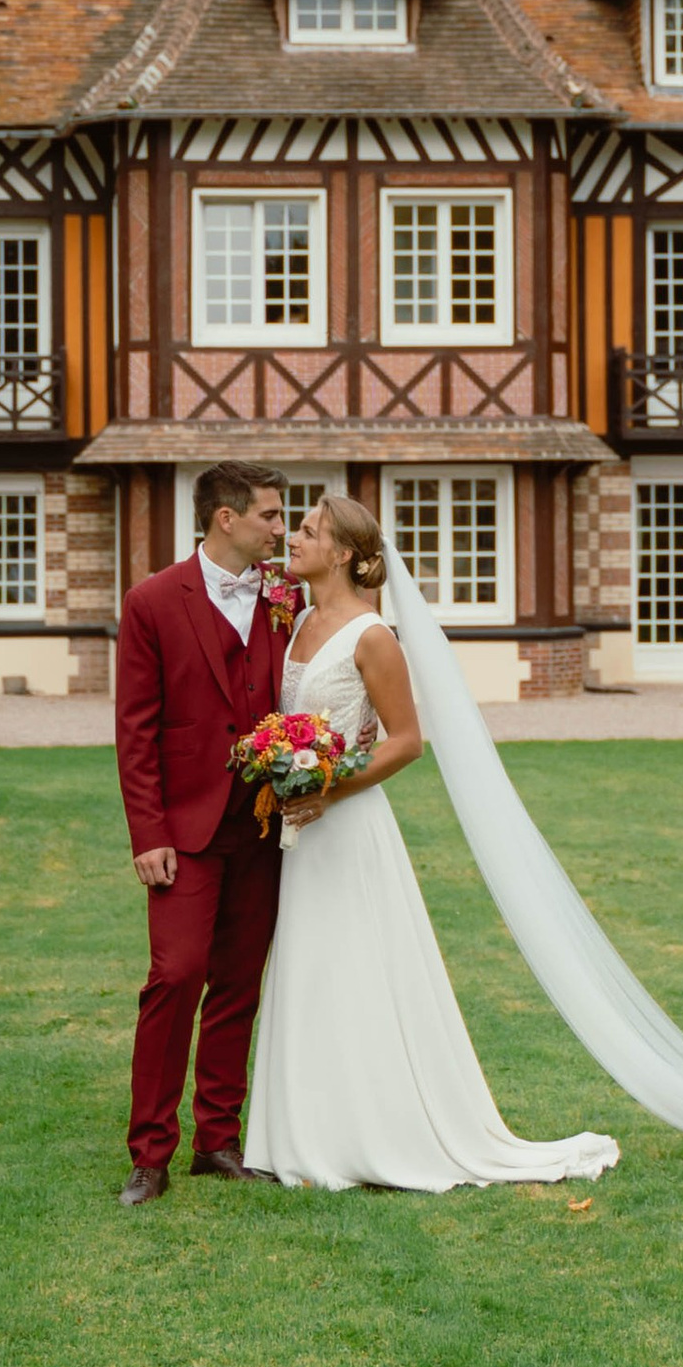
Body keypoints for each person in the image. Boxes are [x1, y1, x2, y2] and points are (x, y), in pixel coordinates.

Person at [242, 494, 621, 1193]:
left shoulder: (372, 636)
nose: (291, 538)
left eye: (308, 531)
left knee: (356, 969)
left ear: (345, 554)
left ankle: (377, 1132)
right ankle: (303, 1132)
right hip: (301, 832)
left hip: (348, 828)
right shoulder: (292, 621)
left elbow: (408, 741)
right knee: (306, 968)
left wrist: (328, 781)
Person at [111, 465, 295, 1206]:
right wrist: (147, 832)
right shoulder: (153, 600)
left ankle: (218, 1139)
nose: (281, 531)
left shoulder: (286, 601)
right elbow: (136, 729)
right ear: (226, 519)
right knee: (176, 977)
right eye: (271, 517)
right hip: (183, 830)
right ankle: (150, 1153)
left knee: (239, 984)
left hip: (266, 825)